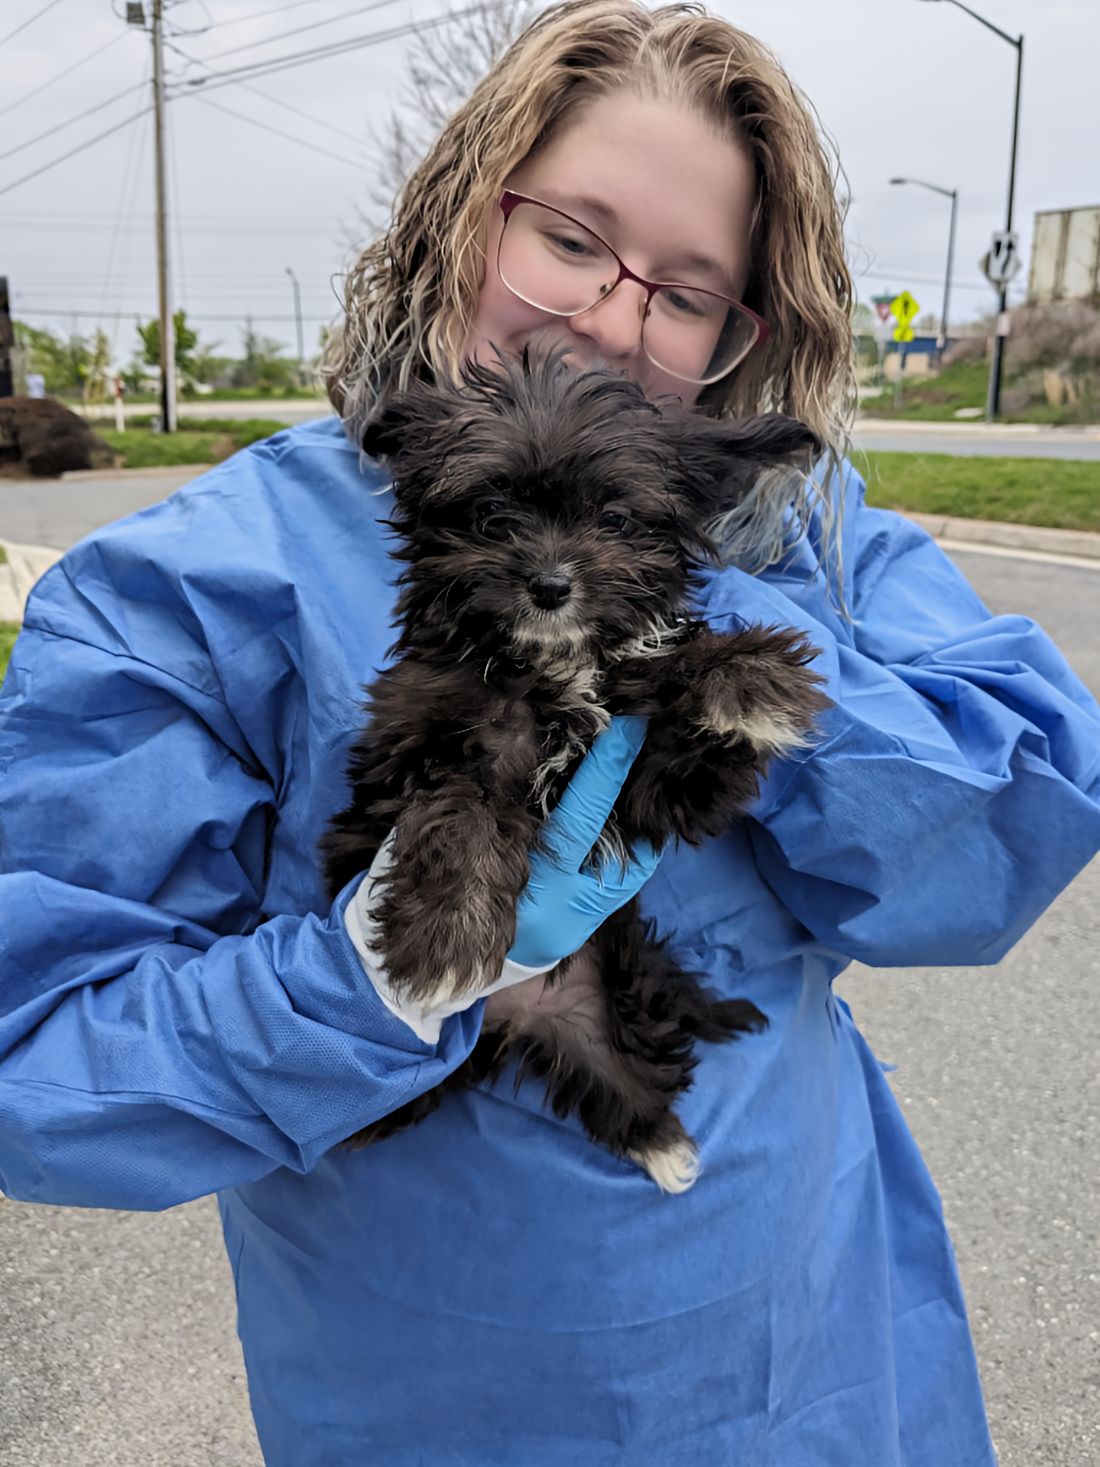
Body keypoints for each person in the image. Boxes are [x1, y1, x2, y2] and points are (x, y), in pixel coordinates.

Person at [1, 2, 1098, 1462]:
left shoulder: (791, 528)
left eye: (689, 291)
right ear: (462, 214)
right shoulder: (195, 587)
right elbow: (42, 1064)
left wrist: (705, 627)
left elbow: (1013, 821)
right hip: (461, 1404)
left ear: (736, 338)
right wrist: (371, 978)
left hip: (828, 1361)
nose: (613, 317)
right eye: (571, 239)